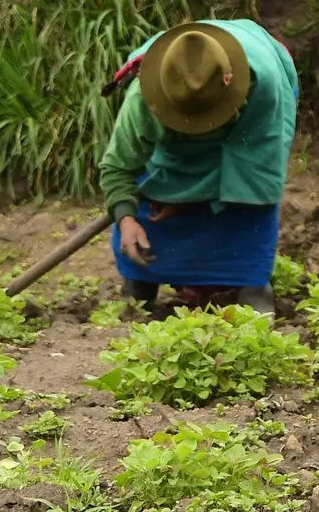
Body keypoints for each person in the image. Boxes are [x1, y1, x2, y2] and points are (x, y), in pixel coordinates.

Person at [99, 19, 299, 316]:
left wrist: (186, 202)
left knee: (249, 209)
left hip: (249, 147)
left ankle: (253, 289)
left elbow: (256, 172)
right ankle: (140, 286)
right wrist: (126, 219)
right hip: (173, 156)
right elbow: (118, 167)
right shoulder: (144, 97)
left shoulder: (265, 88)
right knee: (146, 205)